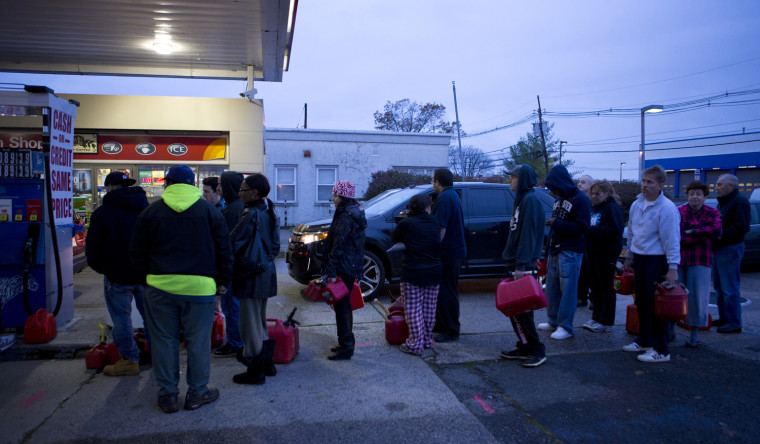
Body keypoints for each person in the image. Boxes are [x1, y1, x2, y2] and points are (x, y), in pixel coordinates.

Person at [131, 165, 233, 414]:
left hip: (159, 287)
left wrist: (145, 281)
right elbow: (224, 251)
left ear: (167, 184)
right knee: (198, 342)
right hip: (199, 289)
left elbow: (137, 253)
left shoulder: (150, 212)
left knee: (164, 341)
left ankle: (168, 396)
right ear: (192, 184)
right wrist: (223, 282)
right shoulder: (210, 212)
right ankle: (197, 393)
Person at [85, 171, 149, 376]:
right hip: (144, 273)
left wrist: (104, 268)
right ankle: (158, 355)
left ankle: (129, 361)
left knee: (121, 318)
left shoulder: (103, 213)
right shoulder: (145, 209)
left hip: (116, 275)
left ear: (110, 188)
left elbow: (93, 249)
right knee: (151, 316)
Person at [622, 165, 680, 363]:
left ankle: (661, 349)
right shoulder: (636, 205)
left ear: (661, 185)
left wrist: (673, 268)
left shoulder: (667, 208)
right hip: (639, 259)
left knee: (657, 306)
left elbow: (672, 239)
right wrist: (629, 257)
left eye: (649, 182)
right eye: (643, 181)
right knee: (642, 302)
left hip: (657, 260)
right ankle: (645, 339)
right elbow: (631, 233)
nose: (644, 185)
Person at [229, 173, 280, 384]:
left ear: (254, 192)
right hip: (265, 273)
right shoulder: (268, 211)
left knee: (249, 325)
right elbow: (276, 246)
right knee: (259, 321)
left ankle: (255, 370)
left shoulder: (250, 214)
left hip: (251, 275)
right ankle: (267, 365)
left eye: (243, 189)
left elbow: (233, 243)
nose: (240, 193)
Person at [500, 165, 547, 367]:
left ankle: (536, 350)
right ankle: (524, 345)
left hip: (524, 265)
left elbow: (528, 234)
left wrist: (521, 264)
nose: (510, 180)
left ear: (523, 179)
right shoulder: (521, 200)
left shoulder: (530, 200)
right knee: (515, 310)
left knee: (523, 310)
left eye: (513, 177)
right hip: (517, 262)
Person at [539, 165, 590, 340]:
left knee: (568, 290)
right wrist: (547, 250)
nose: (552, 190)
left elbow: (583, 227)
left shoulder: (580, 199)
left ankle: (566, 327)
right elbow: (555, 226)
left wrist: (557, 223)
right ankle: (553, 321)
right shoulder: (558, 200)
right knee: (552, 288)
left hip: (570, 251)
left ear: (561, 182)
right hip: (555, 249)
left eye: (553, 186)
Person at [390, 193, 441, 355]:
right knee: (429, 309)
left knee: (413, 309)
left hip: (412, 272)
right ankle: (426, 340)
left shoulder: (406, 224)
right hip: (433, 271)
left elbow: (394, 237)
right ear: (427, 207)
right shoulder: (435, 222)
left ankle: (415, 344)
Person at [323, 180, 367, 360]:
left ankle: (346, 345)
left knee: (341, 307)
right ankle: (345, 342)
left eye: (335, 195)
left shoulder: (345, 216)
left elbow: (338, 245)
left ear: (342, 196)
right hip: (350, 265)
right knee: (344, 305)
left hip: (343, 266)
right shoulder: (353, 212)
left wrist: (331, 270)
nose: (333, 198)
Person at [678, 180, 721, 346]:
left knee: (698, 296)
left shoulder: (712, 212)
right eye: (691, 194)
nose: (694, 197)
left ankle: (694, 332)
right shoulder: (679, 211)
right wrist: (701, 234)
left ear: (705, 197)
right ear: (687, 195)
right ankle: (671, 329)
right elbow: (678, 234)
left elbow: (716, 230)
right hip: (680, 259)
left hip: (701, 259)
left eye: (698, 194)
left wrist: (692, 231)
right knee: (677, 295)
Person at [582, 181, 624, 333]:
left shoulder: (612, 209)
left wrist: (592, 231)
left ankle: (606, 320)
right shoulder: (594, 209)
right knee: (595, 286)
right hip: (592, 252)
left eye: (598, 194)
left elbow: (614, 230)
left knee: (606, 287)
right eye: (593, 193)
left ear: (607, 193)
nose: (594, 196)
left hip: (606, 253)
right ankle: (596, 317)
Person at [432, 168, 467, 343]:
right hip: (454, 250)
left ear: (437, 181)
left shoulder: (445, 198)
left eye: (433, 181)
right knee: (444, 290)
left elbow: (441, 228)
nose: (433, 185)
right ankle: (441, 324)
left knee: (447, 291)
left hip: (448, 252)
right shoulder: (453, 195)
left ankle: (452, 329)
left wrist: (432, 248)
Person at [712, 174, 750, 334]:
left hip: (729, 248)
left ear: (731, 186)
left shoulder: (739, 202)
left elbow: (742, 227)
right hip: (719, 249)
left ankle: (734, 322)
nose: (717, 187)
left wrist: (721, 234)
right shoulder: (724, 203)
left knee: (729, 288)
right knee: (720, 287)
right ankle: (724, 317)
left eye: (720, 184)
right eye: (717, 184)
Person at [214, 171, 246, 357]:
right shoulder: (235, 206)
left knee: (232, 307)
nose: (218, 188)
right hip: (235, 268)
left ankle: (235, 343)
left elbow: (229, 244)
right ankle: (235, 341)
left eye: (220, 184)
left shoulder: (233, 210)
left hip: (232, 269)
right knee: (232, 307)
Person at [576, 175, 594, 308]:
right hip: (580, 241)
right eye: (579, 182)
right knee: (581, 271)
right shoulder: (578, 201)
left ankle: (594, 298)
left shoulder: (596, 203)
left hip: (593, 243)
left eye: (583, 182)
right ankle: (581, 297)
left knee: (592, 271)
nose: (579, 184)